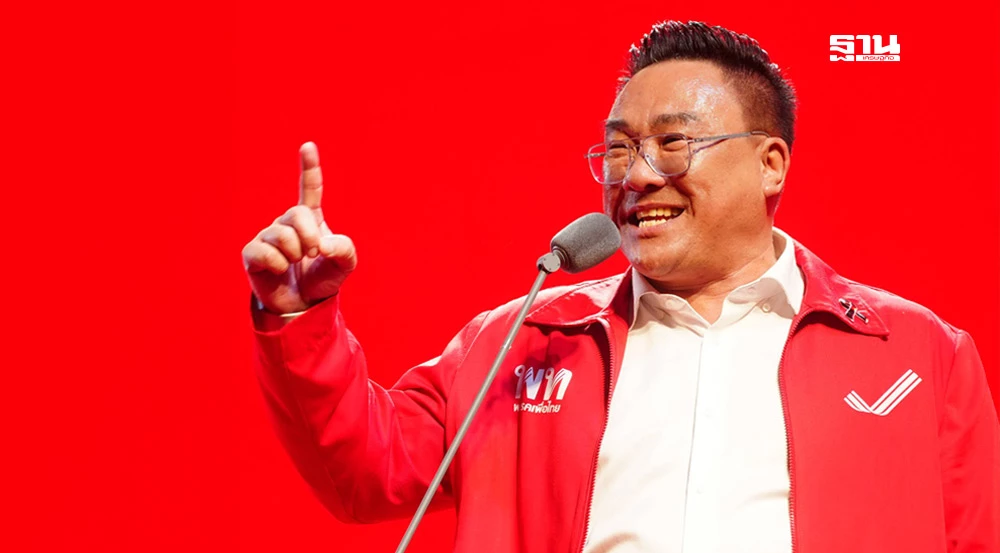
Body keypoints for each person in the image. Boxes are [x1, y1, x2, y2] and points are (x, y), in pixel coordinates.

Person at [241, 20, 1000, 553]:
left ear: (770, 164)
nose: (635, 176)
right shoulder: (521, 344)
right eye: (617, 150)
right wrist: (300, 315)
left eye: (673, 142)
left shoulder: (919, 356)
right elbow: (365, 471)